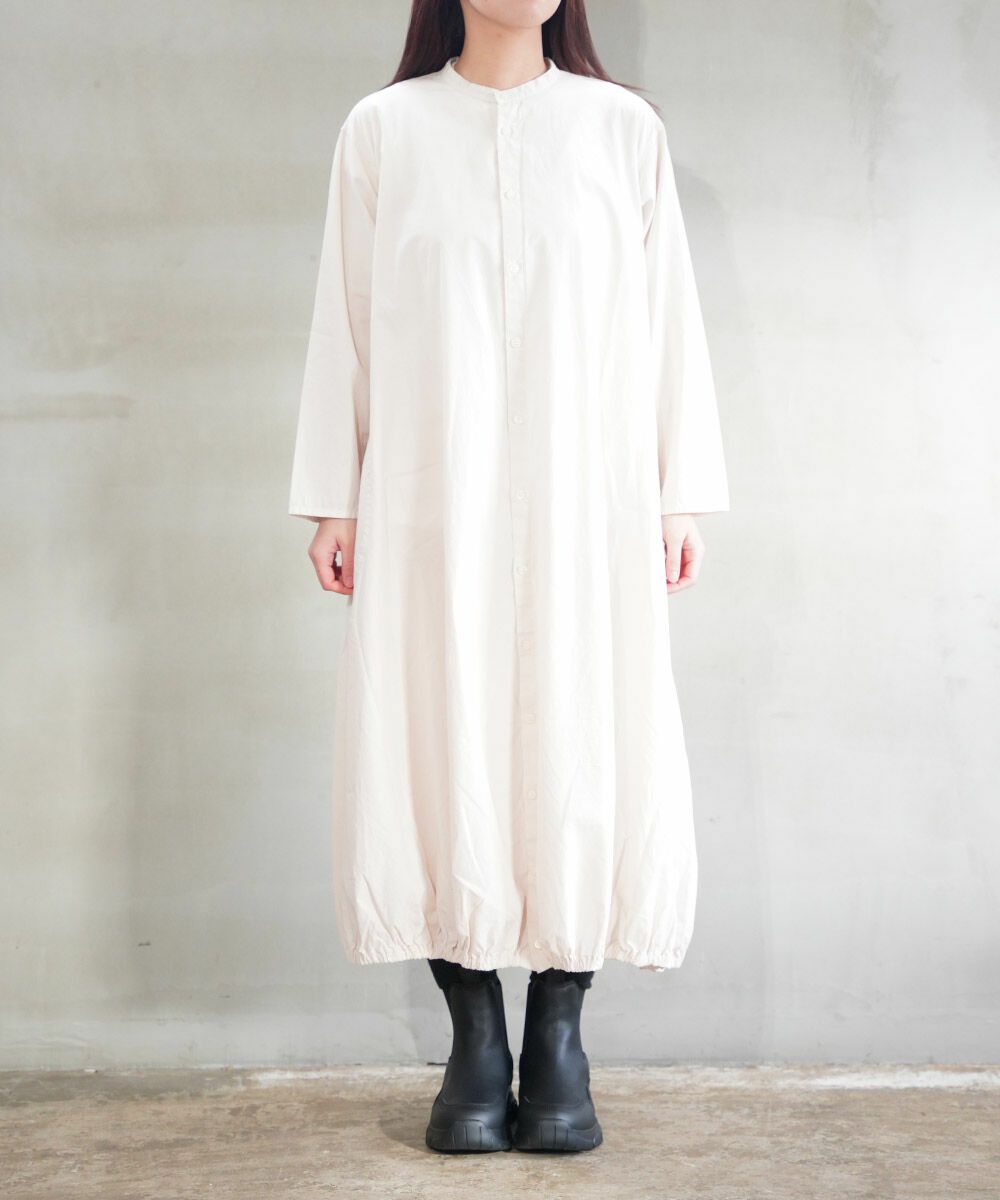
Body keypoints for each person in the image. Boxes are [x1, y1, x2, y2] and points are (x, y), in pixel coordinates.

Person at [288, 0, 729, 1155]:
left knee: (586, 737)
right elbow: (346, 319)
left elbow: (667, 320)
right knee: (443, 740)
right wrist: (335, 496)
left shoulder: (621, 130)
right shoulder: (383, 131)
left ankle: (561, 1032)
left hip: (590, 501)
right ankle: (474, 1034)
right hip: (430, 498)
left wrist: (678, 493)